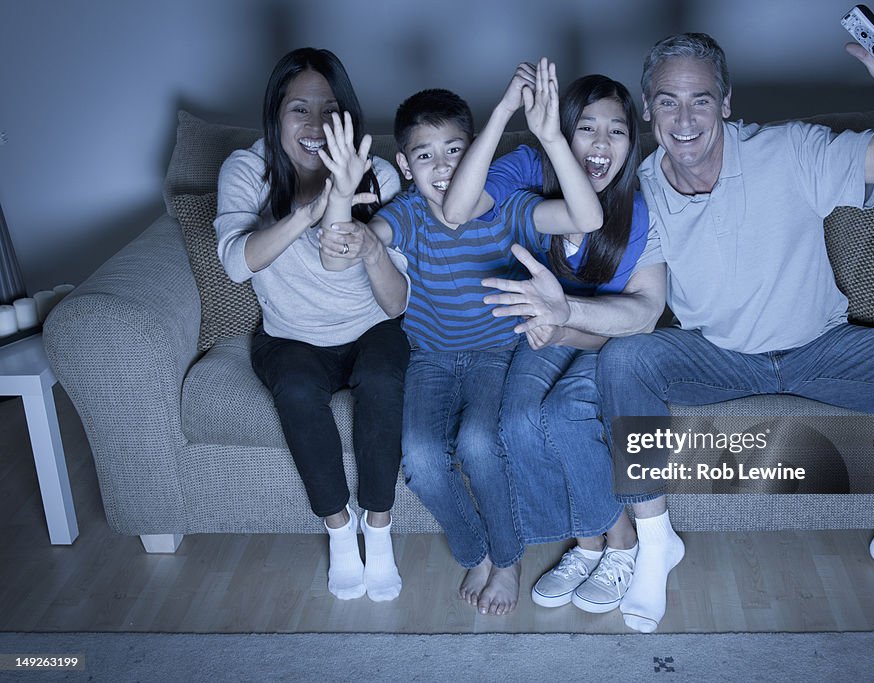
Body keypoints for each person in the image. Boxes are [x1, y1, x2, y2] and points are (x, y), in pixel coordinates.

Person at [485, 18, 874, 633]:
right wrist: (566, 312)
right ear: (649, 112)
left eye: (701, 100)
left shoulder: (791, 150)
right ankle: (654, 547)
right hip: (716, 354)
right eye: (668, 102)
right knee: (626, 360)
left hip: (821, 345)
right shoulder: (641, 193)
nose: (685, 119)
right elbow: (645, 311)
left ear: (726, 103)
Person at [319, 62, 603, 616]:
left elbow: (585, 217)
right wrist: (341, 195)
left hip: (500, 353)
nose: (443, 166)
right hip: (431, 357)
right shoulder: (404, 215)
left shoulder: (508, 208)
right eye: (425, 155)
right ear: (404, 164)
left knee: (478, 443)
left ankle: (509, 555)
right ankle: (480, 550)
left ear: (477, 152)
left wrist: (518, 118)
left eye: (456, 150)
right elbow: (340, 254)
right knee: (422, 458)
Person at [446, 69, 664, 613]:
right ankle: (589, 543)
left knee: (564, 415)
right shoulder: (529, 169)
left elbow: (642, 316)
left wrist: (567, 321)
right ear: (562, 132)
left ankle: (621, 544)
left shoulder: (639, 207)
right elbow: (457, 210)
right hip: (546, 333)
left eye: (616, 131)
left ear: (631, 142)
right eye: (585, 128)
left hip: (608, 344)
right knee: (515, 421)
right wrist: (504, 115)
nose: (601, 143)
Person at [214, 47, 410, 603]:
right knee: (297, 389)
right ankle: (340, 531)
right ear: (276, 117)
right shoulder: (247, 170)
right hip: (291, 336)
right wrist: (311, 206)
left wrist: (366, 238)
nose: (317, 126)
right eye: (300, 109)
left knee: (384, 380)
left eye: (330, 110)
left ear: (348, 116)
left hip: (370, 327)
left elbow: (394, 306)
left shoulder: (383, 176)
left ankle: (379, 528)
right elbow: (234, 263)